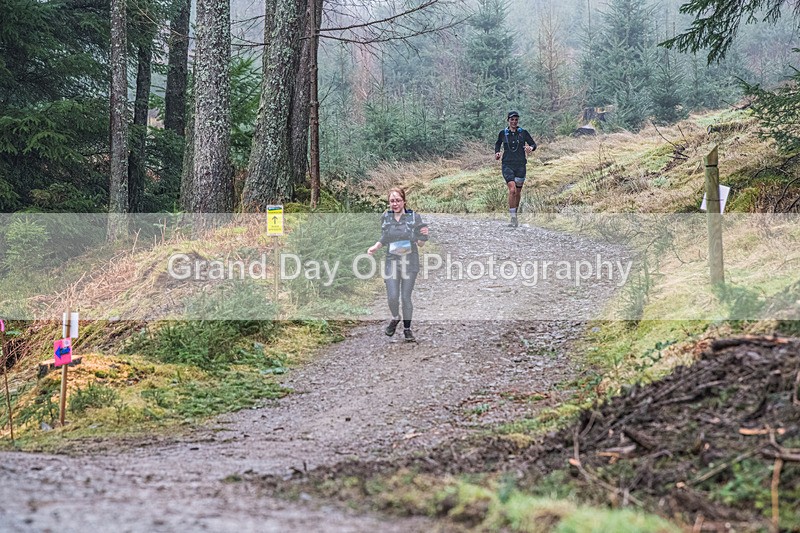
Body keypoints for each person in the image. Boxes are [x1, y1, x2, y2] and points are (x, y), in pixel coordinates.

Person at [367, 188, 429, 342]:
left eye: (398, 200)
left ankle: (407, 330)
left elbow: (421, 243)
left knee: (406, 297)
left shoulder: (414, 217)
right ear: (389, 203)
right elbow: (385, 237)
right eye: (392, 201)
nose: (395, 204)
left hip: (410, 261)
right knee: (392, 297)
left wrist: (423, 236)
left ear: (404, 201)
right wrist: (376, 246)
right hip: (392, 260)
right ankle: (395, 317)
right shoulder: (386, 217)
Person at [494, 110, 537, 227]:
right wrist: (497, 153)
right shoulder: (503, 133)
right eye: (512, 119)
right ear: (508, 120)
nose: (514, 122)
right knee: (512, 190)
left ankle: (515, 215)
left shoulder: (523, 133)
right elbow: (498, 144)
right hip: (507, 164)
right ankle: (512, 218)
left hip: (520, 165)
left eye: (516, 120)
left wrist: (530, 148)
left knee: (518, 192)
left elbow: (533, 144)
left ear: (518, 121)